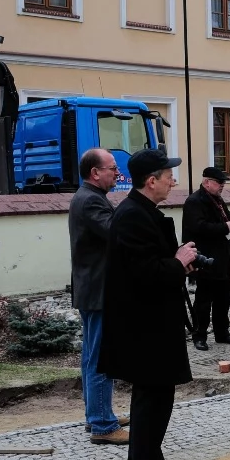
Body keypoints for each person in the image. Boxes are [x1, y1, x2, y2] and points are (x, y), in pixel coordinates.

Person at [98, 149, 195, 460]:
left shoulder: (141, 212)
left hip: (150, 324)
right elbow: (145, 274)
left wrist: (179, 260)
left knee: (153, 397)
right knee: (153, 398)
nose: (173, 181)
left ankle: (146, 457)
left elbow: (152, 262)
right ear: (151, 181)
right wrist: (178, 261)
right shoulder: (132, 217)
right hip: (144, 328)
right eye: (169, 176)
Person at [67, 148, 131, 444]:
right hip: (98, 290)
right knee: (100, 358)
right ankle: (103, 425)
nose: (117, 173)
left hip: (92, 289)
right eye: (112, 168)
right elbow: (115, 233)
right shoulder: (91, 200)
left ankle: (96, 414)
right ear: (95, 172)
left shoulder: (91, 197)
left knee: (92, 355)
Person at [182, 166, 230, 351]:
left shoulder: (217, 199)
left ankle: (222, 332)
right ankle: (199, 335)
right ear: (207, 182)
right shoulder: (195, 201)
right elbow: (199, 227)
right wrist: (225, 227)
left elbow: (228, 220)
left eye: (223, 183)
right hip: (206, 257)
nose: (222, 186)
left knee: (223, 298)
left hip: (223, 257)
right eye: (219, 183)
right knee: (203, 300)